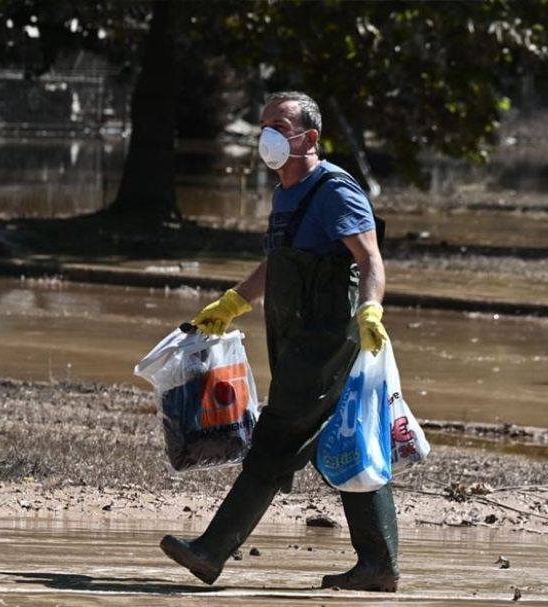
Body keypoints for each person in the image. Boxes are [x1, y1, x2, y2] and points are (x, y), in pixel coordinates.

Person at [159, 91, 398, 592]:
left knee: (277, 436)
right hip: (294, 335)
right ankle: (377, 564)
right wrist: (232, 304)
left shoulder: (334, 189)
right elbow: (279, 263)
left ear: (308, 137)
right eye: (264, 122)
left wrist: (371, 309)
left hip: (327, 337)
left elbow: (370, 258)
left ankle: (211, 551)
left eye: (279, 124)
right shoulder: (284, 193)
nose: (267, 132)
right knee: (344, 442)